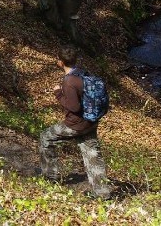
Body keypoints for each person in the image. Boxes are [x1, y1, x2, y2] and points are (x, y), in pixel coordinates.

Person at [39, 45, 113, 199]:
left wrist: (58, 93)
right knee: (93, 154)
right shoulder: (83, 74)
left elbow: (73, 106)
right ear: (75, 60)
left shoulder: (69, 81)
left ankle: (50, 177)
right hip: (91, 121)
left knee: (46, 137)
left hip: (75, 124)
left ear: (60, 62)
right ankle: (102, 193)